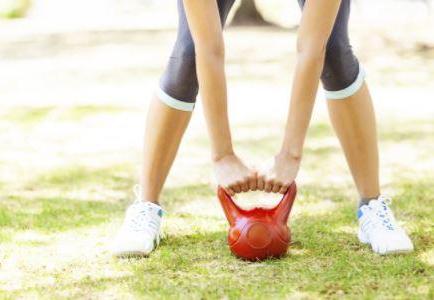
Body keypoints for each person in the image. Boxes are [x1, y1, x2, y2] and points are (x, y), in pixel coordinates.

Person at [111, 0, 413, 256]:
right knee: (188, 54)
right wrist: (222, 155)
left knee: (335, 51)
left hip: (322, 47)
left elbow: (311, 47)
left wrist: (290, 155)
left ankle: (371, 207)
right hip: (200, 50)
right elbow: (209, 49)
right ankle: (146, 207)